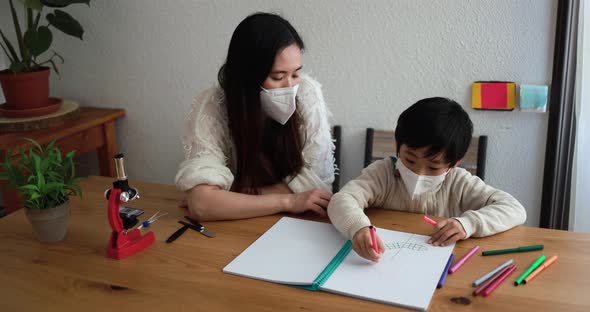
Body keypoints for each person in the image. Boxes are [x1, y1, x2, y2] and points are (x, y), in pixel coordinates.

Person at [175, 13, 335, 221]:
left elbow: (317, 190)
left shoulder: (307, 94)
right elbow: (201, 205)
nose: (289, 87)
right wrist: (289, 200)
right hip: (239, 228)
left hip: (297, 224)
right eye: (277, 77)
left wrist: (229, 195)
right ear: (247, 77)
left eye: (295, 74)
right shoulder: (213, 105)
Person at [327, 97, 526, 262]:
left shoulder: (458, 182)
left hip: (436, 264)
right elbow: (341, 200)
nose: (419, 173)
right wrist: (359, 227)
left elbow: (514, 209)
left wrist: (469, 223)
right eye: (409, 159)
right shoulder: (384, 173)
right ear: (398, 146)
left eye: (433, 167)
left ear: (454, 164)